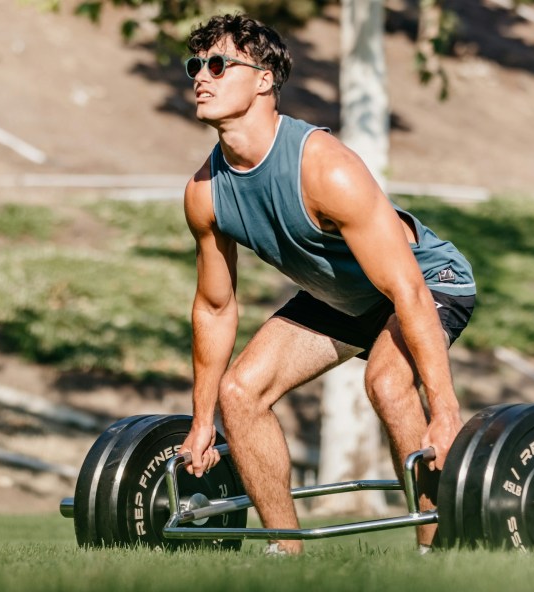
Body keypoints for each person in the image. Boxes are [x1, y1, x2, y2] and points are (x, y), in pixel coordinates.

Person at [178, 13, 476, 555]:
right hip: (339, 295)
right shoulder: (205, 193)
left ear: (264, 78)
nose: (202, 76)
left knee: (387, 383)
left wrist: (446, 411)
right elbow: (215, 308)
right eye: (195, 65)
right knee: (240, 393)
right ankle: (284, 549)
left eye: (218, 64)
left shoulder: (324, 168)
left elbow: (407, 289)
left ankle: (438, 550)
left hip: (427, 281)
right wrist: (202, 421)